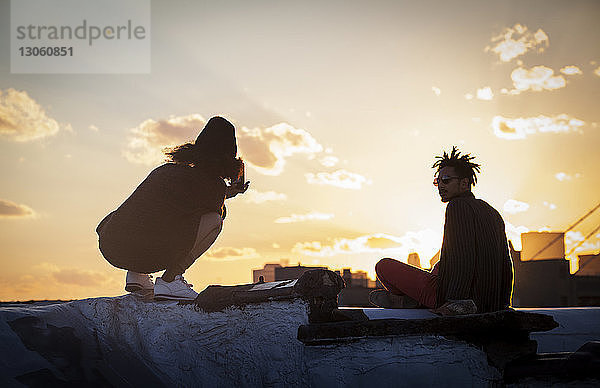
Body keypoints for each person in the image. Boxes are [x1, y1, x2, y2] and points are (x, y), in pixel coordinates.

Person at [96, 116, 249, 301]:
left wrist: (224, 192)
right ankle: (171, 280)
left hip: (111, 244)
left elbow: (154, 208)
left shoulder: (167, 170)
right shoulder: (212, 185)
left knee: (153, 214)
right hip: (144, 250)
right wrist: (226, 191)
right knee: (214, 222)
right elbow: (215, 214)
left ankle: (137, 276)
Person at [371, 146, 513, 314]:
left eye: (446, 180)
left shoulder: (457, 206)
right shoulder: (492, 212)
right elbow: (506, 262)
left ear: (464, 183)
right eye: (437, 181)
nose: (440, 186)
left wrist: (456, 302)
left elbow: (463, 255)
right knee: (438, 266)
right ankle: (412, 300)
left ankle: (412, 301)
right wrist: (503, 302)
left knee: (383, 266)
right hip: (490, 301)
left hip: (452, 296)